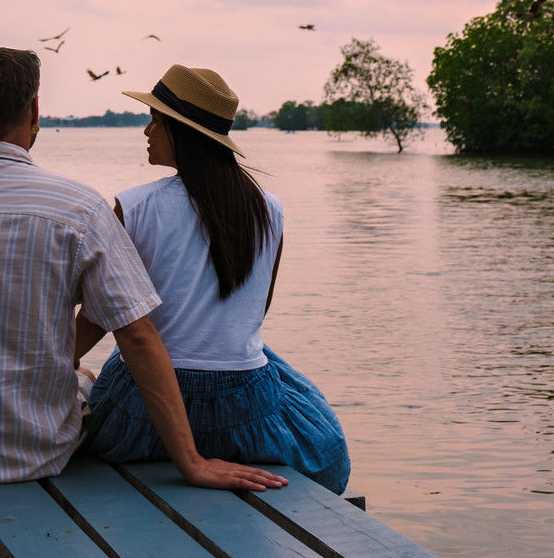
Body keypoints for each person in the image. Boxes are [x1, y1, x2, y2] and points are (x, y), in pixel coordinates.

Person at [0, 46, 286, 491]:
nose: (147, 129)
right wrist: (192, 462)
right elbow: (138, 333)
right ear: (35, 111)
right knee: (82, 380)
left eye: (155, 119)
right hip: (28, 453)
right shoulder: (79, 209)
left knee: (82, 375)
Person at [77, 63, 351, 495]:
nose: (146, 131)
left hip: (145, 416)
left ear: (180, 132)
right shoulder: (269, 210)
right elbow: (253, 313)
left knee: (103, 373)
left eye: (156, 121)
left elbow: (95, 319)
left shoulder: (134, 208)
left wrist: (57, 364)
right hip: (244, 413)